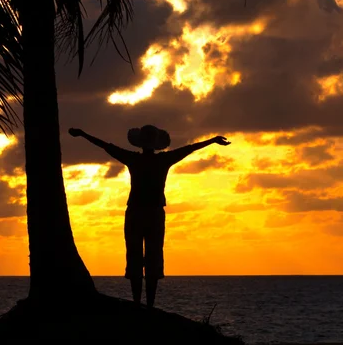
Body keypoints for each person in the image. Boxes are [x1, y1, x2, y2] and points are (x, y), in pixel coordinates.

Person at [68, 125, 230, 307]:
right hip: (154, 213)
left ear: (140, 143)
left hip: (136, 212)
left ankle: (138, 302)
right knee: (153, 256)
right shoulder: (163, 159)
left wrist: (83, 134)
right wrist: (213, 141)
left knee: (135, 255)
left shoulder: (134, 159)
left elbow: (106, 146)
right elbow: (190, 148)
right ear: (156, 144)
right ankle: (150, 304)